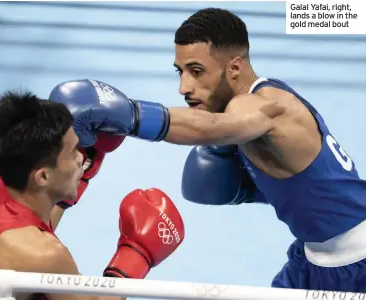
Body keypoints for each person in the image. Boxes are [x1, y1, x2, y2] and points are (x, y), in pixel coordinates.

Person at [47, 7, 366, 293]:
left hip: (358, 263)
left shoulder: (263, 107)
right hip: (311, 257)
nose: (184, 87)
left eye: (197, 71)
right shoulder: (251, 112)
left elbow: (209, 127)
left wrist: (132, 115)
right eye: (180, 71)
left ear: (235, 68)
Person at [0, 91, 185, 300]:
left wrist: (73, 184)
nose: (81, 159)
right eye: (74, 150)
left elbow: (25, 228)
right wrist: (135, 256)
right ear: (43, 177)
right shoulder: (45, 254)